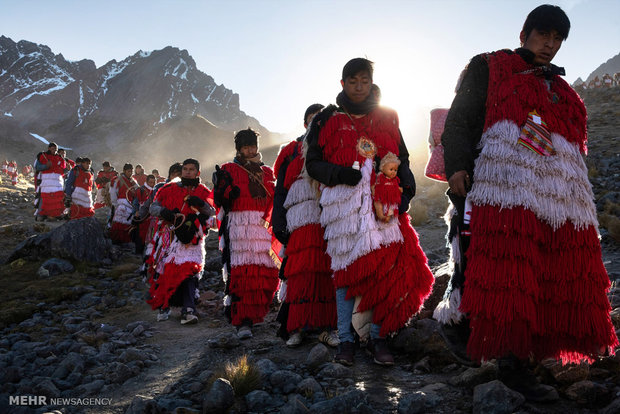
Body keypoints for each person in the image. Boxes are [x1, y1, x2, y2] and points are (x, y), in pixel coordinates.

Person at [440, 4, 618, 395]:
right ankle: (506, 361)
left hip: (554, 200)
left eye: (557, 39)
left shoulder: (564, 91)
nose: (550, 45)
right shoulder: (489, 66)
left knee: (545, 271)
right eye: (543, 36)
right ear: (524, 34)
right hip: (500, 191)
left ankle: (524, 351)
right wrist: (457, 167)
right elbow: (460, 119)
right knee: (505, 272)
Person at [306, 58, 434, 366]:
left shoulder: (387, 116)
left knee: (384, 273)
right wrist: (338, 174)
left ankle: (378, 339)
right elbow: (312, 163)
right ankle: (346, 343)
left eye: (364, 80)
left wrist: (406, 195)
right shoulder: (326, 119)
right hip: (344, 213)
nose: (359, 86)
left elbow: (401, 158)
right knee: (346, 275)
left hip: (384, 209)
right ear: (343, 84)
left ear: (372, 81)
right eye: (352, 81)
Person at [272, 104, 339, 348]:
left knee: (327, 269)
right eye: (312, 119)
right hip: (299, 219)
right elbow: (280, 190)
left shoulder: (333, 145)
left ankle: (328, 327)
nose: (315, 123)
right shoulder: (290, 151)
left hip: (327, 214)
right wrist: (278, 222)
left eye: (320, 119)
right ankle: (297, 327)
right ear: (304, 123)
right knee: (299, 271)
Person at [212, 128, 279, 339]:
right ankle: (243, 321)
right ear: (239, 149)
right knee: (243, 273)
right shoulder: (228, 169)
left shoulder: (268, 172)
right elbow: (220, 200)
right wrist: (226, 194)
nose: (250, 150)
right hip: (241, 228)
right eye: (246, 147)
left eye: (253, 146)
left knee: (266, 270)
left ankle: (261, 313)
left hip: (264, 228)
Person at [147, 158, 215, 324]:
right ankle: (164, 306)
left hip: (192, 239)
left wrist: (201, 205)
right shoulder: (167, 189)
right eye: (185, 169)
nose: (187, 172)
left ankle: (188, 309)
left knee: (190, 272)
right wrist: (165, 212)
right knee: (165, 271)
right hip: (169, 237)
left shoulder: (204, 192)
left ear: (197, 172)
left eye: (191, 169)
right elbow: (152, 207)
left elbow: (213, 212)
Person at [143, 163, 183, 282]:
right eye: (174, 174)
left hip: (178, 227)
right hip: (160, 226)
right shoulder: (161, 187)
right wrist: (163, 211)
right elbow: (151, 206)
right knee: (155, 251)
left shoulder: (186, 189)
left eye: (180, 174)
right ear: (170, 175)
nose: (177, 177)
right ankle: (152, 277)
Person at [34, 142, 66, 221]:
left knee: (56, 199)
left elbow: (62, 171)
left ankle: (55, 215)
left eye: (55, 149)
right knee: (44, 198)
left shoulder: (60, 158)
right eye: (52, 148)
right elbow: (37, 167)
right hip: (46, 182)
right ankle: (41, 215)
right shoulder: (42, 156)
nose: (54, 150)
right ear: (49, 148)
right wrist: (46, 166)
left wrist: (67, 169)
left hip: (57, 183)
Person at [109, 163, 138, 243]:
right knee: (118, 223)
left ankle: (124, 241)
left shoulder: (133, 181)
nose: (130, 173)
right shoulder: (118, 179)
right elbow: (113, 192)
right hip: (121, 205)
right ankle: (116, 240)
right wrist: (115, 204)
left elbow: (138, 191)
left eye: (131, 171)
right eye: (129, 171)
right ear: (124, 171)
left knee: (126, 224)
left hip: (130, 205)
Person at [372, 152, 402, 223]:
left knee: (392, 206)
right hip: (381, 196)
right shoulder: (380, 177)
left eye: (395, 170)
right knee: (378, 203)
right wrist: (373, 189)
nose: (393, 172)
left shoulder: (395, 179)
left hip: (391, 199)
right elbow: (375, 184)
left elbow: (395, 186)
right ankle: (381, 215)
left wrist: (398, 189)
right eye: (391, 169)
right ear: (383, 168)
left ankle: (388, 217)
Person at [130, 174, 156, 254]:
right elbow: (135, 202)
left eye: (153, 182)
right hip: (141, 217)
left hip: (152, 218)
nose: (152, 184)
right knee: (140, 235)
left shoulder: (156, 191)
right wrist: (136, 212)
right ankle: (138, 252)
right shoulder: (141, 190)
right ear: (147, 182)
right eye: (150, 182)